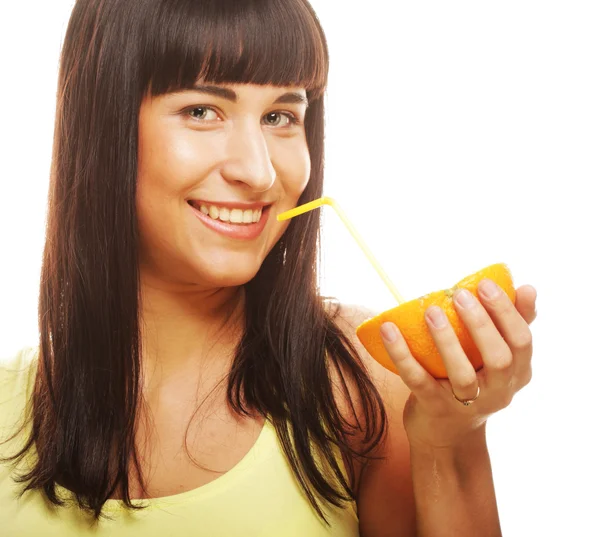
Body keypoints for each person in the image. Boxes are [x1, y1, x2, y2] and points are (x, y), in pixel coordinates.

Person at [0, 0, 537, 535]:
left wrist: (452, 440)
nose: (258, 173)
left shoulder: (367, 383)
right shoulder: (7, 409)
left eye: (281, 116)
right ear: (102, 126)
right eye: (202, 111)